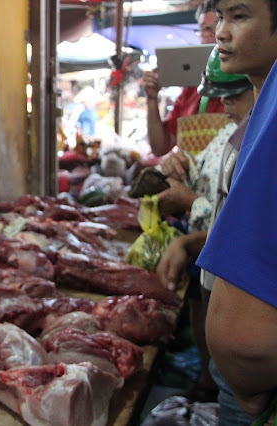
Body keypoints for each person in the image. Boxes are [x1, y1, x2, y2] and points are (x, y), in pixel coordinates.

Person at [154, 48, 254, 407]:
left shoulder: (259, 147)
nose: (224, 104)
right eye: (220, 95)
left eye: (235, 95)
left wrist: (190, 208)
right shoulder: (229, 133)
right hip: (213, 286)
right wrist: (173, 168)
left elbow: (241, 232)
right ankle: (208, 381)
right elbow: (197, 171)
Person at [195, 0, 277, 421]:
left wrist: (245, 383)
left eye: (240, 16)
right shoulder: (262, 114)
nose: (221, 32)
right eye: (221, 17)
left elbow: (249, 344)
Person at [143, 1, 225, 157]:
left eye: (215, 26)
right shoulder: (190, 89)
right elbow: (160, 147)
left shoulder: (247, 86)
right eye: (203, 29)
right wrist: (152, 99)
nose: (209, 34)